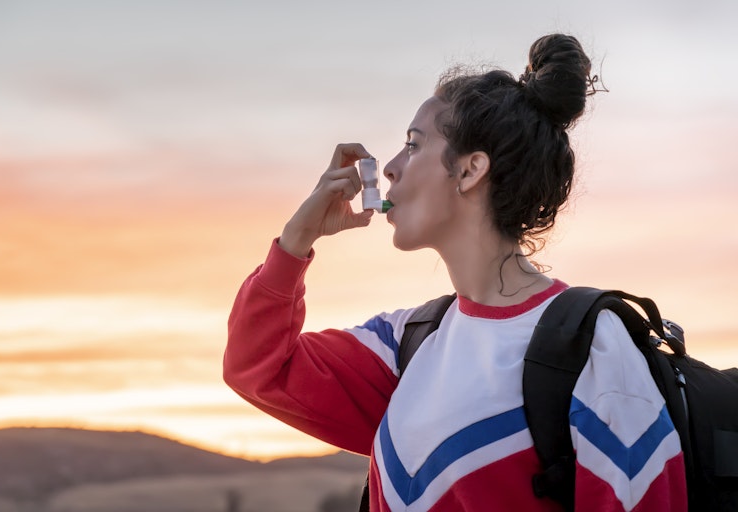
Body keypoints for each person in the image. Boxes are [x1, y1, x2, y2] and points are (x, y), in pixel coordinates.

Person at [223, 34, 687, 511]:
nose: (390, 170)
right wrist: (295, 242)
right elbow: (257, 367)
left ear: (470, 171)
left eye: (413, 145)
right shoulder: (406, 345)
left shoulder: (593, 350)